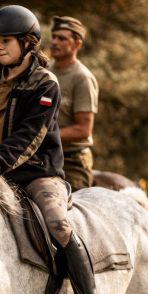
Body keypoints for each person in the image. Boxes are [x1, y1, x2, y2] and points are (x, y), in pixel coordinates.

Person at [0, 5, 106, 294]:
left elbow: (28, 137)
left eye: (5, 41)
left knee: (57, 222)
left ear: (29, 43)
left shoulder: (45, 83)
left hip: (37, 174)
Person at [48, 16, 98, 191]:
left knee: (67, 214)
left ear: (77, 44)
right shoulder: (44, 72)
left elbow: (83, 130)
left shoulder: (82, 78)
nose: (54, 42)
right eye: (53, 36)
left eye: (62, 38)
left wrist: (43, 136)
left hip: (71, 162)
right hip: (44, 157)